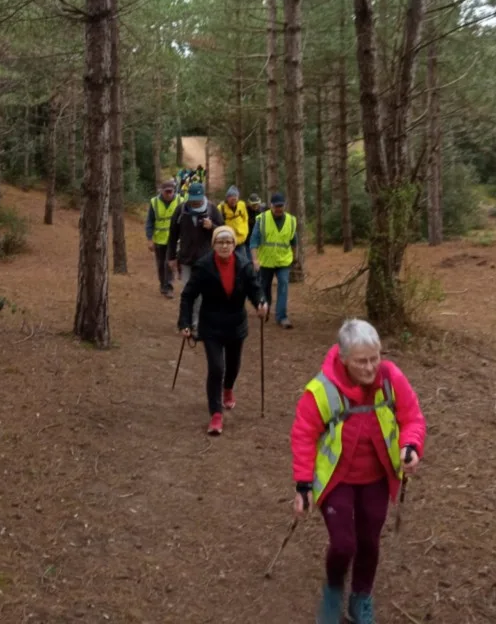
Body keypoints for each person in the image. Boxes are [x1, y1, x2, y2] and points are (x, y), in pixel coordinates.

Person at [290, 319, 426, 624]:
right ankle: (333, 589)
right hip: (337, 479)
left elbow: (412, 418)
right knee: (343, 544)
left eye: (375, 358)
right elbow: (303, 436)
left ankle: (361, 597)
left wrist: (411, 446)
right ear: (343, 359)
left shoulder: (391, 378)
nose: (370, 367)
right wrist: (303, 485)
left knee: (369, 541)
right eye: (361, 361)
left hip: (376, 477)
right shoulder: (321, 390)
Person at [178, 226, 268, 435]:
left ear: (234, 245)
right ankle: (216, 414)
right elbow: (188, 295)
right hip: (211, 324)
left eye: (228, 242)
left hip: (236, 323)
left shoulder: (244, 266)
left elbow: (255, 290)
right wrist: (185, 323)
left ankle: (228, 389)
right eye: (220, 242)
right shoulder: (203, 266)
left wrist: (261, 303)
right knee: (216, 367)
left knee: (233, 365)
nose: (225, 246)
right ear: (214, 245)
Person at [249, 192, 297, 328]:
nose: (278, 209)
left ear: (284, 206)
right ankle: (266, 308)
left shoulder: (291, 220)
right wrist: (255, 260)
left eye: (280, 206)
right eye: (276, 206)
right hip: (266, 261)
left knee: (283, 284)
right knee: (264, 287)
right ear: (271, 206)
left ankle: (282, 317)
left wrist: (294, 258)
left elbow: (294, 242)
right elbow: (253, 241)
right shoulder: (262, 219)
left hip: (284, 261)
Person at [167, 181, 224, 289]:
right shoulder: (181, 210)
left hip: (206, 259)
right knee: (188, 290)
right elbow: (173, 235)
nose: (195, 202)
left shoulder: (212, 209)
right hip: (186, 258)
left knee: (204, 290)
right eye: (193, 199)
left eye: (198, 200)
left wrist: (212, 226)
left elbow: (223, 232)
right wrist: (171, 257)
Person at [144, 179, 181, 298]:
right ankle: (163, 284)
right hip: (159, 239)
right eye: (167, 192)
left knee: (168, 263)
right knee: (160, 264)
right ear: (161, 191)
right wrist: (149, 239)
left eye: (171, 191)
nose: (169, 194)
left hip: (174, 239)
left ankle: (168, 287)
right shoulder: (154, 202)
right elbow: (150, 222)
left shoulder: (180, 201)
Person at [217, 186, 249, 251]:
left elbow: (245, 219)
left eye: (235, 199)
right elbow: (217, 224)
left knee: (243, 257)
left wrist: (245, 232)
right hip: (227, 241)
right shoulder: (221, 208)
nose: (234, 202)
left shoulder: (242, 205)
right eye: (232, 199)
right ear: (227, 198)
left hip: (241, 239)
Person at [245, 193, 265, 258]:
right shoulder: (245, 211)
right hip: (248, 241)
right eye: (253, 204)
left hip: (259, 241)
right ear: (249, 203)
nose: (255, 206)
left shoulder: (262, 211)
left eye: (257, 204)